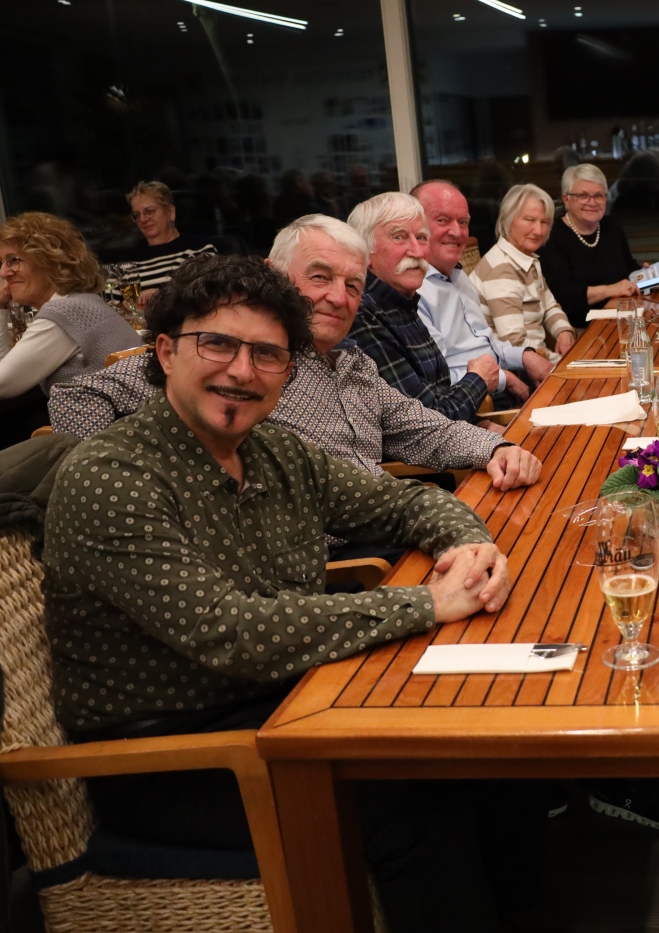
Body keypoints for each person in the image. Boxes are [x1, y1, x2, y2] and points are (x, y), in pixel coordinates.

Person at [45, 253, 544, 933]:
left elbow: (403, 503)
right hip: (173, 759)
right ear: (165, 352)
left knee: (481, 752)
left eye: (267, 354)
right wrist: (426, 602)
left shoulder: (275, 450)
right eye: (217, 344)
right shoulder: (112, 476)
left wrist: (467, 546)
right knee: (413, 800)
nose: (241, 370)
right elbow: (232, 631)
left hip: (286, 702)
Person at [48, 217, 542, 552]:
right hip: (329, 566)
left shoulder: (352, 364)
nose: (338, 298)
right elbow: (78, 393)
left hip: (385, 529)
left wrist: (496, 449)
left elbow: (425, 429)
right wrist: (140, 487)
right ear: (275, 277)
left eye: (352, 286)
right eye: (320, 277)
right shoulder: (236, 363)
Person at [347, 192, 504, 424]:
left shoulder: (404, 302)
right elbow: (426, 424)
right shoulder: (362, 314)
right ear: (364, 253)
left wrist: (481, 425)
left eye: (421, 238)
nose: (418, 252)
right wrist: (478, 379)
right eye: (399, 237)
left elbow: (439, 401)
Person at [0, 212, 142, 446]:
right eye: (2, 262)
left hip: (107, 446)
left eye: (14, 260)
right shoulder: (84, 301)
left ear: (50, 261)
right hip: (131, 434)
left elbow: (2, 383)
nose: (4, 272)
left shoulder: (64, 313)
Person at [412, 180, 555, 407]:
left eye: (463, 222)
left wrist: (525, 356)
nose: (457, 232)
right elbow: (437, 380)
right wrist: (504, 378)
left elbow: (484, 342)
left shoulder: (459, 277)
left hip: (500, 386)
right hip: (473, 405)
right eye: (442, 220)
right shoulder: (413, 290)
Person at [470, 184, 577, 364]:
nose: (538, 230)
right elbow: (515, 343)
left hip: (538, 358)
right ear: (508, 219)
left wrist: (564, 332)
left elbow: (550, 307)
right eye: (529, 220)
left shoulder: (527, 260)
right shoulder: (501, 268)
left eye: (544, 222)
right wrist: (560, 362)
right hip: (516, 369)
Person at [537, 164, 641, 329]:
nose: (592, 202)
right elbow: (562, 294)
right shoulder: (553, 235)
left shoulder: (611, 226)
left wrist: (642, 274)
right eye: (583, 195)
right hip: (580, 328)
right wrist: (610, 290)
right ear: (566, 199)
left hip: (622, 318)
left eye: (598, 195)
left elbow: (628, 267)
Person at [116, 181, 218, 306]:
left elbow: (212, 293)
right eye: (137, 215)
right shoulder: (128, 259)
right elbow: (109, 304)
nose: (143, 219)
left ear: (170, 212)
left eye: (150, 211)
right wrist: (128, 304)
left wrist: (161, 296)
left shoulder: (199, 248)